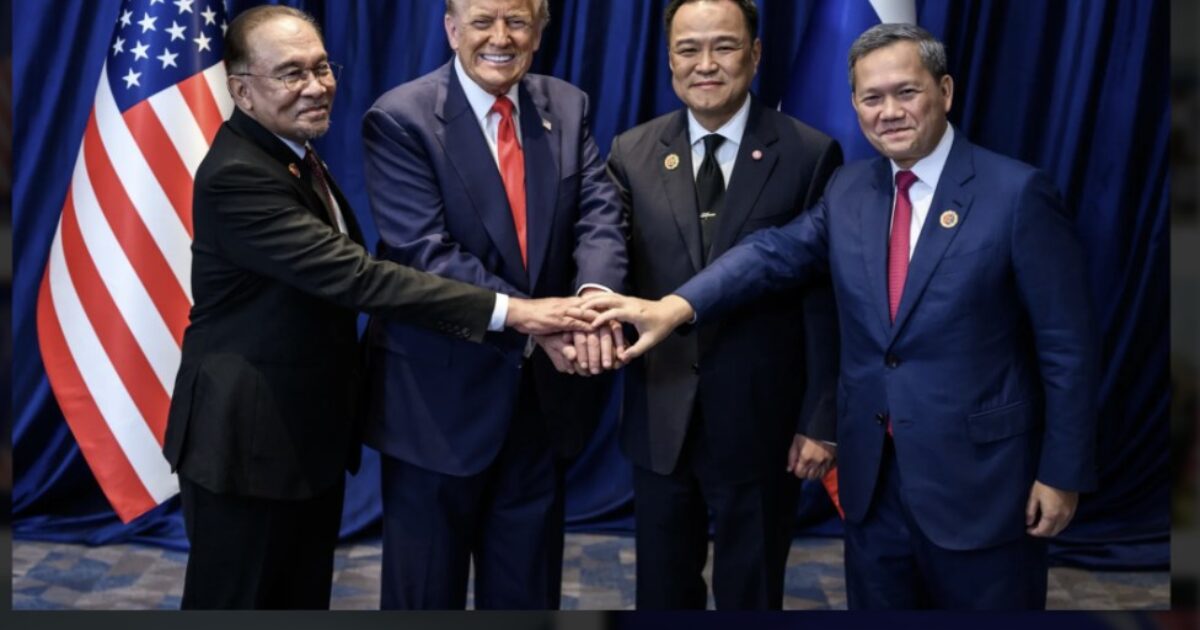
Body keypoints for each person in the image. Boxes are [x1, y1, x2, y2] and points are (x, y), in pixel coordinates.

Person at [584, 23, 1097, 610]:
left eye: (906, 92)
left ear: (946, 91)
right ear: (853, 104)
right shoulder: (851, 190)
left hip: (981, 485)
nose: (889, 112)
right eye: (871, 98)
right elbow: (770, 254)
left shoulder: (1017, 194)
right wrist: (676, 307)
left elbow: (1069, 348)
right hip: (871, 485)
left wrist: (1063, 472)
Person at [162, 5, 583, 610]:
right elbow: (360, 278)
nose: (316, 87)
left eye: (321, 67)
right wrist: (515, 313)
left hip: (303, 439)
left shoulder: (294, 154)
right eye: (291, 74)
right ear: (243, 91)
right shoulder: (239, 175)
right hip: (246, 443)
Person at [360, 0, 627, 609]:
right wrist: (538, 322)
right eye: (482, 22)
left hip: (539, 405)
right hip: (437, 408)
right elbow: (426, 253)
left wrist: (591, 301)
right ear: (452, 28)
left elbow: (599, 214)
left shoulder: (567, 103)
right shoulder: (400, 118)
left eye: (517, 21)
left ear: (540, 28)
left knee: (528, 594)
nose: (500, 38)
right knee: (425, 596)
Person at [604, 0, 842, 610]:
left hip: (762, 420)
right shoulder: (631, 151)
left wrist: (820, 417)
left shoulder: (811, 153)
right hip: (661, 415)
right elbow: (607, 256)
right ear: (669, 59)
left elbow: (824, 299)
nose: (705, 65)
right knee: (662, 590)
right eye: (688, 49)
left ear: (756, 54)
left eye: (725, 46)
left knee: (752, 590)